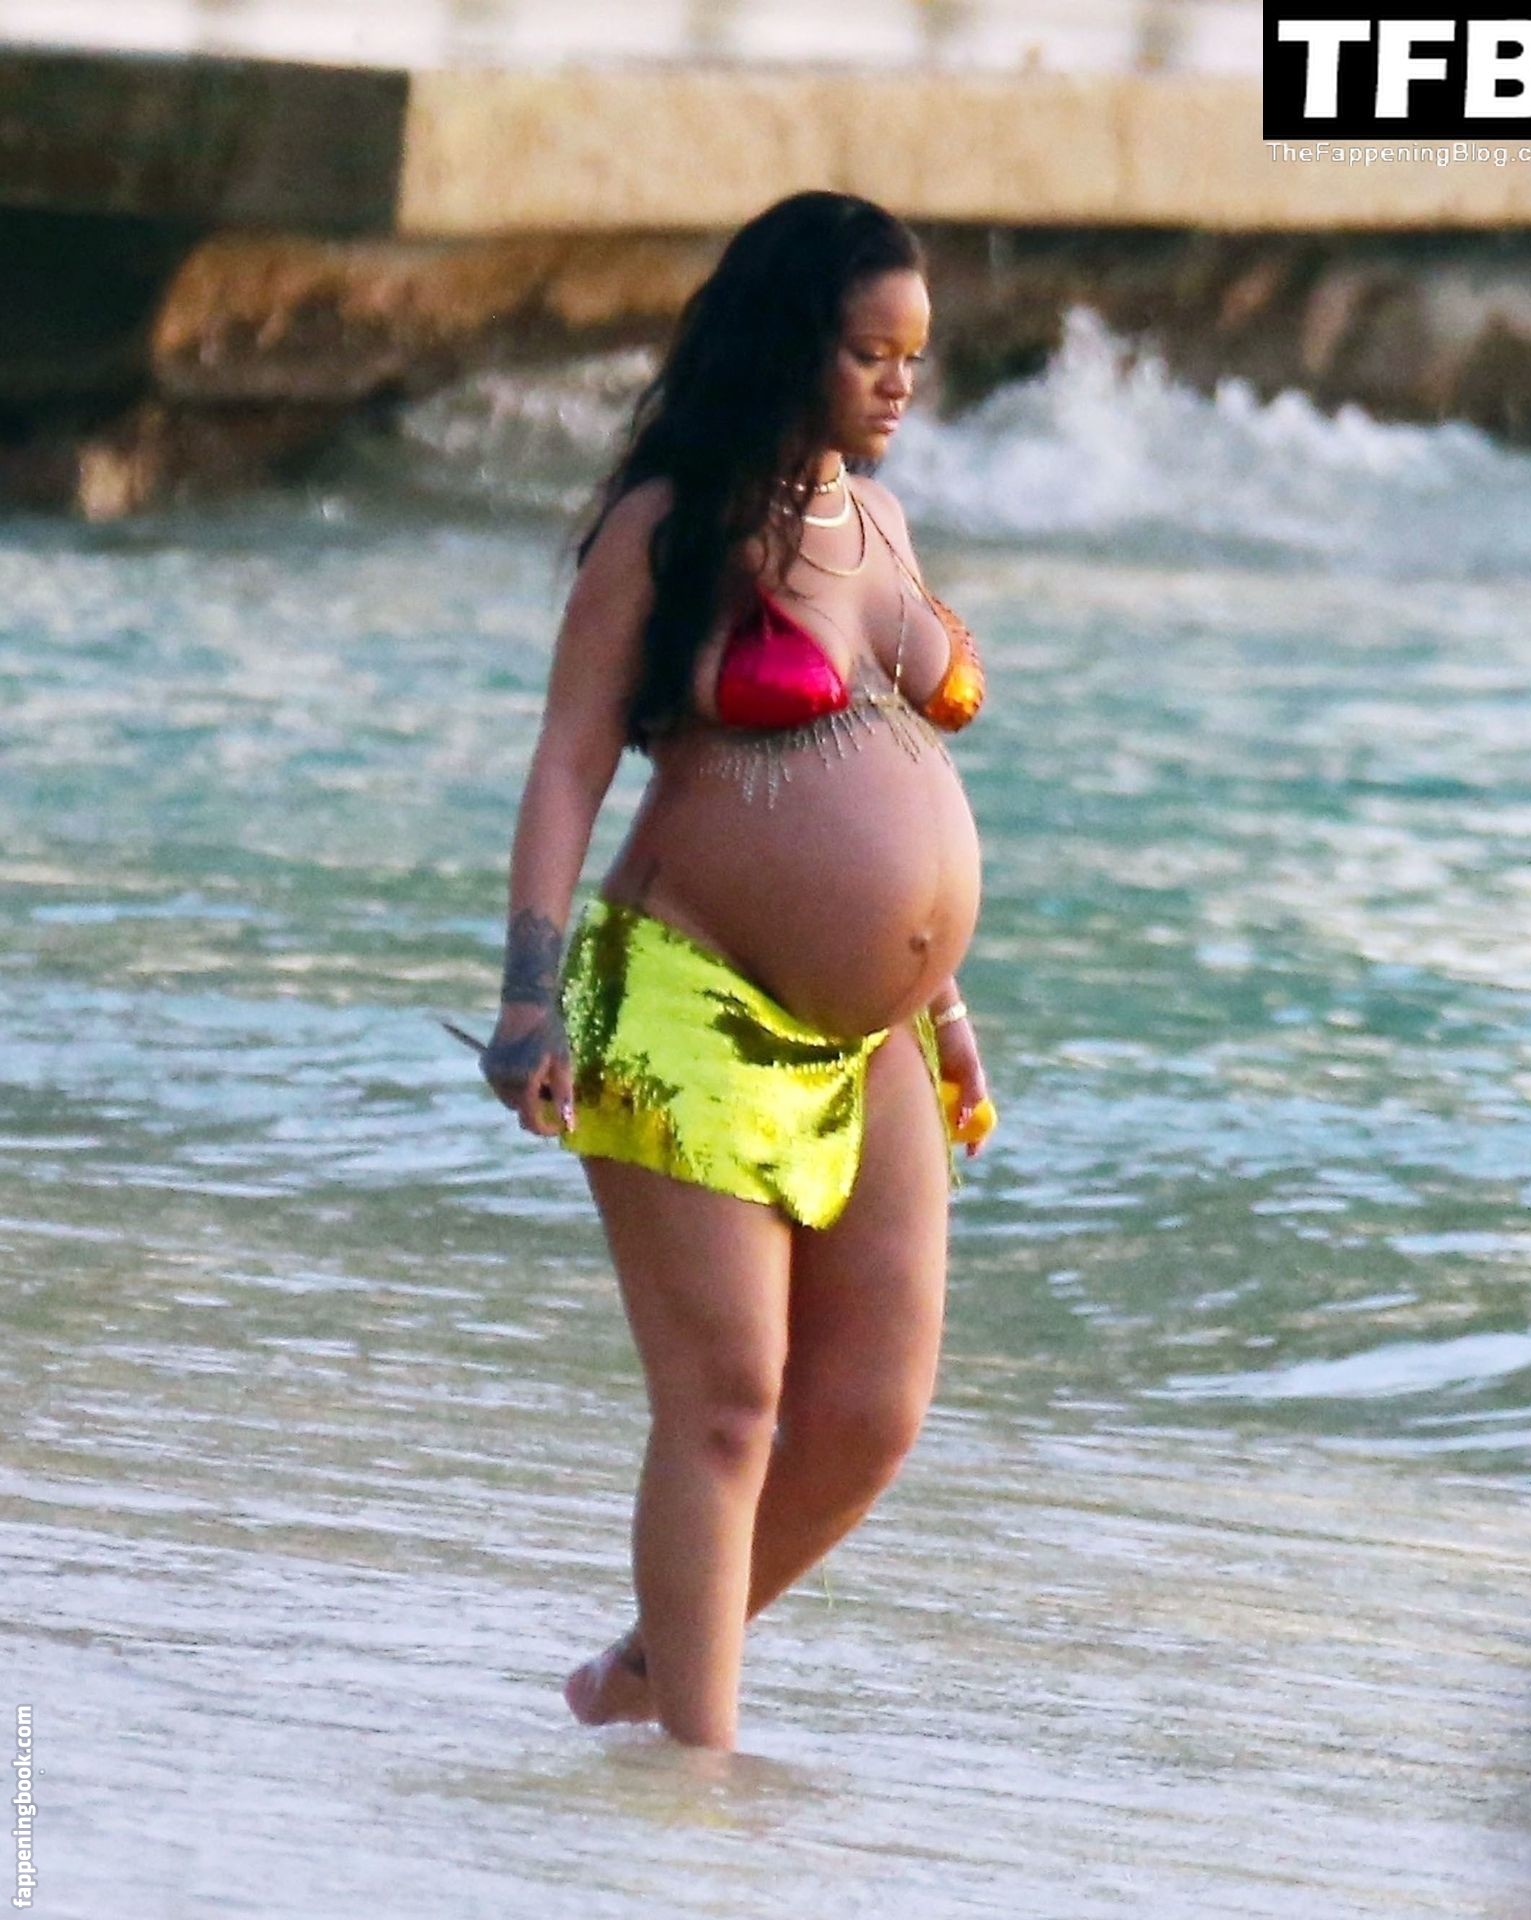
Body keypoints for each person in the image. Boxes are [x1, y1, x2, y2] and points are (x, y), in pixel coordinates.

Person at [479, 190, 993, 1751]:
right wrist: (527, 999)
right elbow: (569, 763)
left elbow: (896, 777)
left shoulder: (878, 522)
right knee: (727, 1405)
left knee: (870, 1412)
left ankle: (650, 1669)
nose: (899, 383)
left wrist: (944, 1002)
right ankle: (693, 1781)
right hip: (684, 994)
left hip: (876, 1038)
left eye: (914, 356)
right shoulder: (670, 525)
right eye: (867, 352)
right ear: (786, 344)